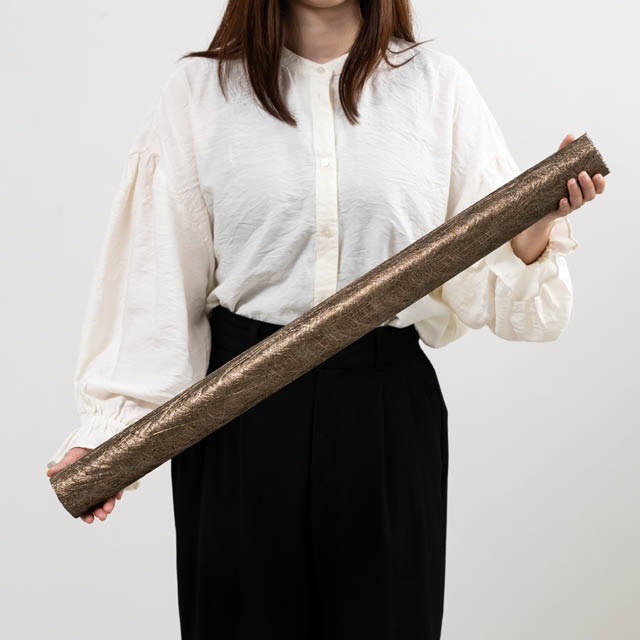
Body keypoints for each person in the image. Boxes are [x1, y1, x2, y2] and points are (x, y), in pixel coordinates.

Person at [45, 1, 606, 638]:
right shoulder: (200, 92)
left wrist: (532, 233)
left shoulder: (436, 87)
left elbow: (491, 284)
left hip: (384, 412)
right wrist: (109, 432)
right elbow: (154, 278)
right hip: (238, 411)